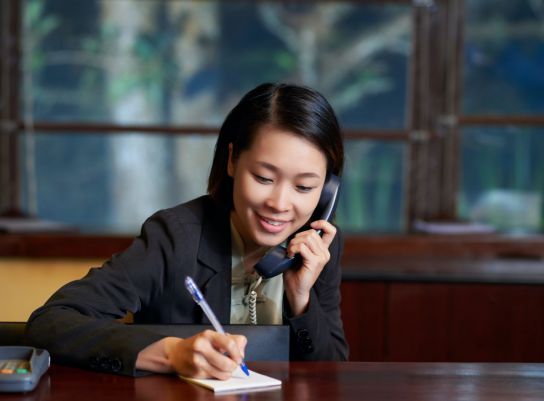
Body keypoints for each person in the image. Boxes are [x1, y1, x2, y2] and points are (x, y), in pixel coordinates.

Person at [26, 82, 349, 379]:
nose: (280, 203)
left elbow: (331, 372)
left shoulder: (317, 246)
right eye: (264, 178)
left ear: (326, 192)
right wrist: (169, 352)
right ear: (233, 160)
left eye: (304, 187)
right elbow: (51, 322)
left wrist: (301, 298)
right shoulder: (175, 236)